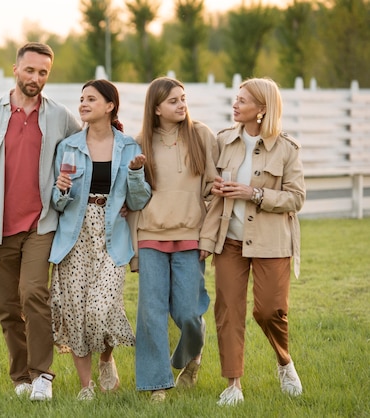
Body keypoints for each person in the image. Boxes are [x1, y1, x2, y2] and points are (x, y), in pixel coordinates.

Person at [0, 42, 81, 401]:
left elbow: (84, 147)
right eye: (30, 70)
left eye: (43, 73)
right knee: (7, 307)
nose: (36, 78)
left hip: (41, 223)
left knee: (34, 293)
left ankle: (42, 376)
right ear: (15, 69)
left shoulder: (61, 117)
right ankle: (21, 378)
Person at [199, 77, 305, 406]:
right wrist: (214, 190)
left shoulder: (287, 149)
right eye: (236, 98)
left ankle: (284, 361)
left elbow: (296, 199)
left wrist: (253, 194)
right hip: (229, 241)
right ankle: (233, 385)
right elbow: (206, 187)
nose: (235, 104)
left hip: (272, 242)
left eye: (243, 100)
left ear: (262, 109)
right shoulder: (222, 141)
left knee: (270, 309)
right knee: (228, 310)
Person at [49, 79, 151, 401]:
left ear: (110, 106)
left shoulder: (130, 148)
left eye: (91, 99)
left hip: (112, 235)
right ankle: (86, 387)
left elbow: (137, 201)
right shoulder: (68, 147)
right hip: (73, 237)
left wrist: (135, 174)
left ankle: (107, 357)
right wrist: (62, 189)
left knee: (98, 308)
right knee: (75, 310)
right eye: (81, 99)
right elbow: (57, 202)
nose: (83, 104)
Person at [130, 77, 219, 402]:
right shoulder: (139, 142)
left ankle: (188, 357)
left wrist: (208, 237)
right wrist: (134, 251)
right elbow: (133, 201)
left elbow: (213, 190)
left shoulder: (202, 137)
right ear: (156, 108)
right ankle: (157, 384)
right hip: (150, 237)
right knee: (151, 313)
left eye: (183, 99)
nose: (182, 105)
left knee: (187, 313)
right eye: (173, 101)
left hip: (191, 237)